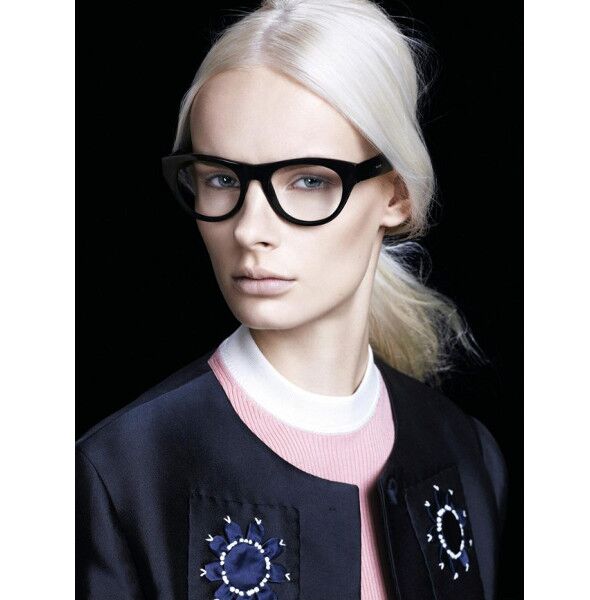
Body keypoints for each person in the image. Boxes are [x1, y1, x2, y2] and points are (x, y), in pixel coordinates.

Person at [76, 1, 508, 599]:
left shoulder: (466, 454)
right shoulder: (119, 476)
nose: (250, 229)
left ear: (397, 195)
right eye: (222, 178)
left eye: (309, 180)